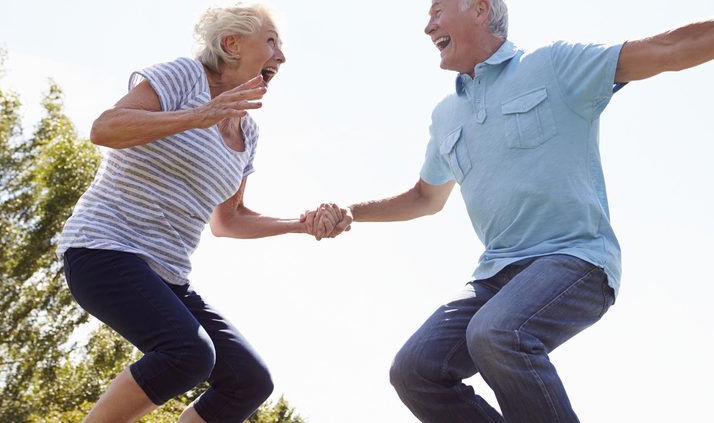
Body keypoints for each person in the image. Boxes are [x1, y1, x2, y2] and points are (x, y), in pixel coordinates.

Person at [306, 0, 714, 421]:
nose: (428, 27)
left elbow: (667, 50)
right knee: (415, 370)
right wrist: (352, 211)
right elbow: (424, 198)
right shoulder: (446, 116)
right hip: (496, 276)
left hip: (576, 258)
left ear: (480, 9)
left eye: (437, 11)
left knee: (496, 332)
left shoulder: (554, 67)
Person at [56, 4, 336, 422]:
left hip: (167, 275)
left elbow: (229, 220)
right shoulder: (185, 77)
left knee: (248, 380)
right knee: (188, 354)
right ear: (232, 44)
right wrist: (197, 116)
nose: (282, 55)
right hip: (102, 250)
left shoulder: (247, 129)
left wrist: (300, 224)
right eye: (272, 42)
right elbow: (105, 129)